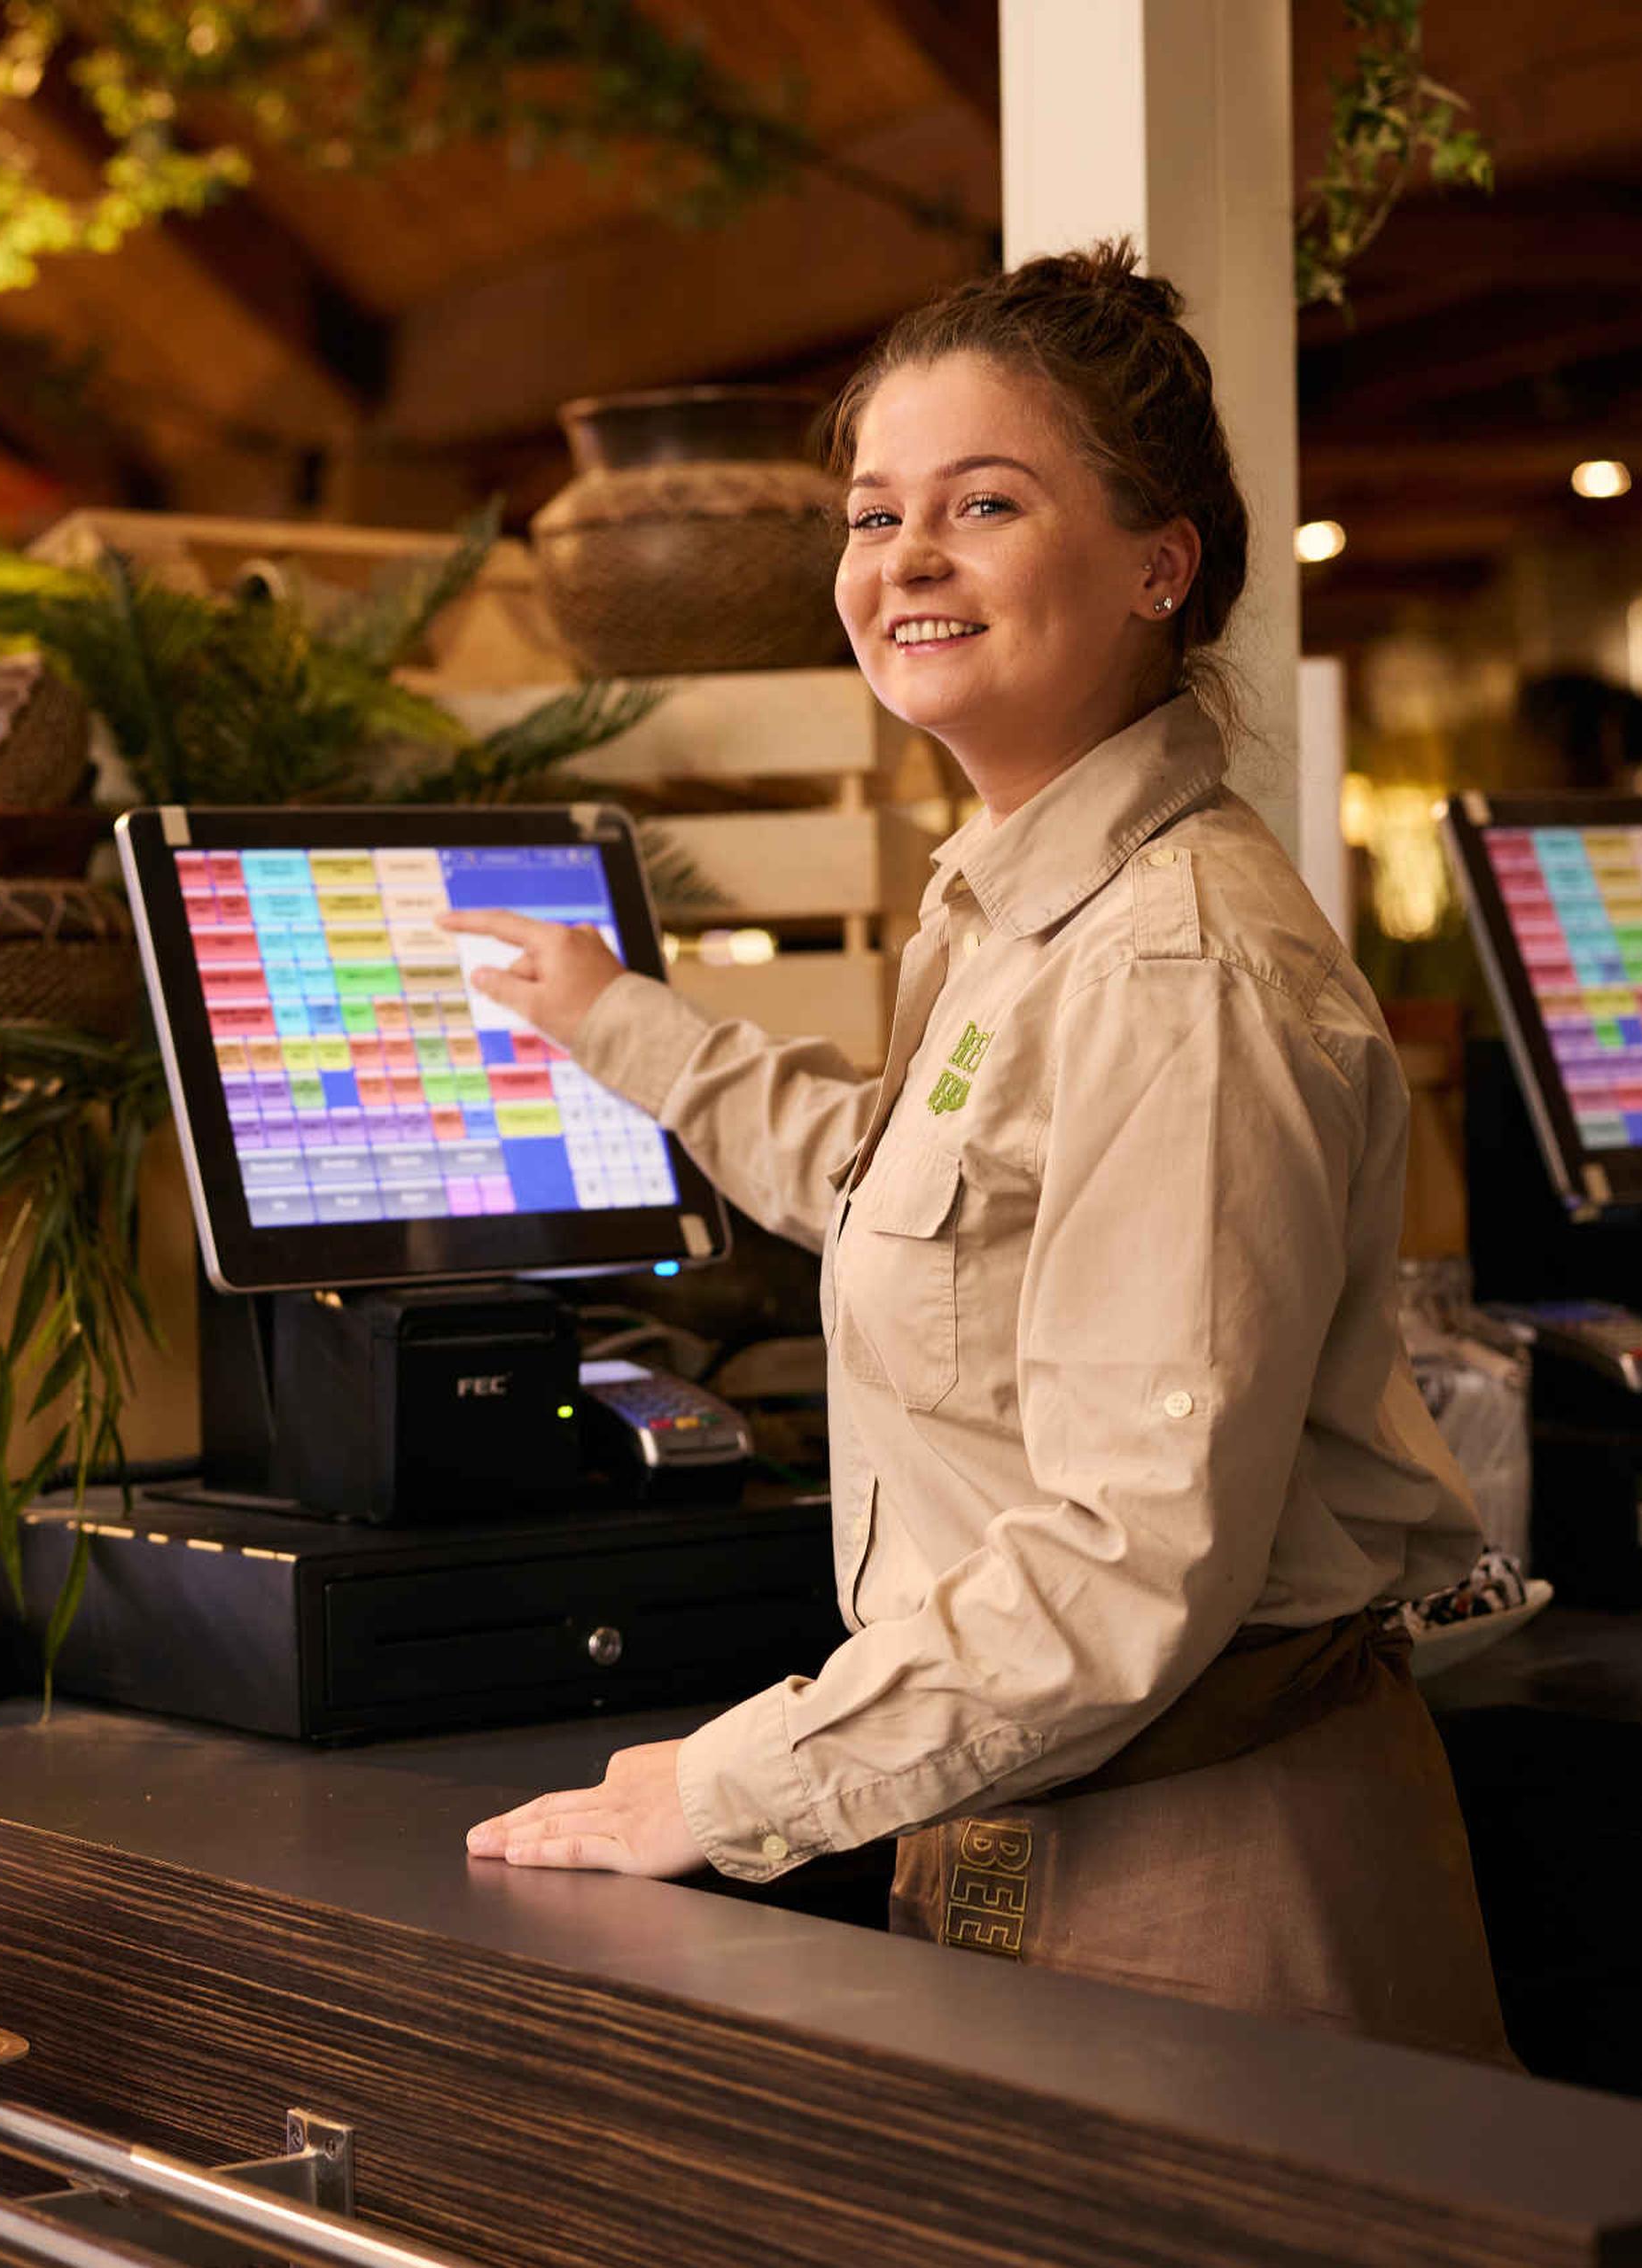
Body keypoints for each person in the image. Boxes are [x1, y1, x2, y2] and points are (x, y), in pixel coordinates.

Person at [449, 245, 1513, 2063]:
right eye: (876, 513)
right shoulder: (1019, 909)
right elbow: (903, 1194)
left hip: (1213, 1867)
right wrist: (608, 1017)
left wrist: (721, 1785)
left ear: (1158, 563)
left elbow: (1126, 1557)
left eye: (985, 503)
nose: (905, 560)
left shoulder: (1174, 968)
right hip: (1028, 1818)